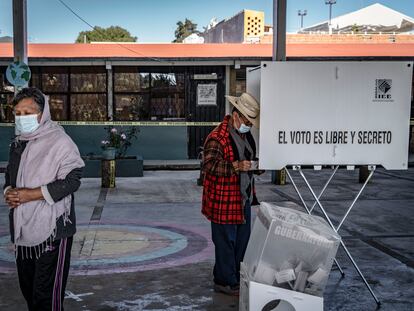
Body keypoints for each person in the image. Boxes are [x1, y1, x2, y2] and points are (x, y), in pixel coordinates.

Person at [3, 87, 84, 311]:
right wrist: (9, 192)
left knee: (46, 298)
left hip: (54, 230)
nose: (21, 118)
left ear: (43, 113)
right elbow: (10, 176)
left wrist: (30, 194)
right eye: (17, 113)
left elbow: (73, 180)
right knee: (29, 291)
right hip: (23, 229)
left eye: (27, 112)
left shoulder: (60, 142)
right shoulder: (18, 143)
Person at [202, 92, 261, 296]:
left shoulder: (245, 136)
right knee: (226, 242)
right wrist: (236, 166)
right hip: (223, 200)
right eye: (247, 121)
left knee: (242, 242)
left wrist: (256, 166)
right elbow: (209, 166)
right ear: (236, 115)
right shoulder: (217, 137)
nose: (249, 125)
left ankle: (234, 277)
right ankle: (224, 281)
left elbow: (249, 159)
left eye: (251, 122)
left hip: (242, 197)